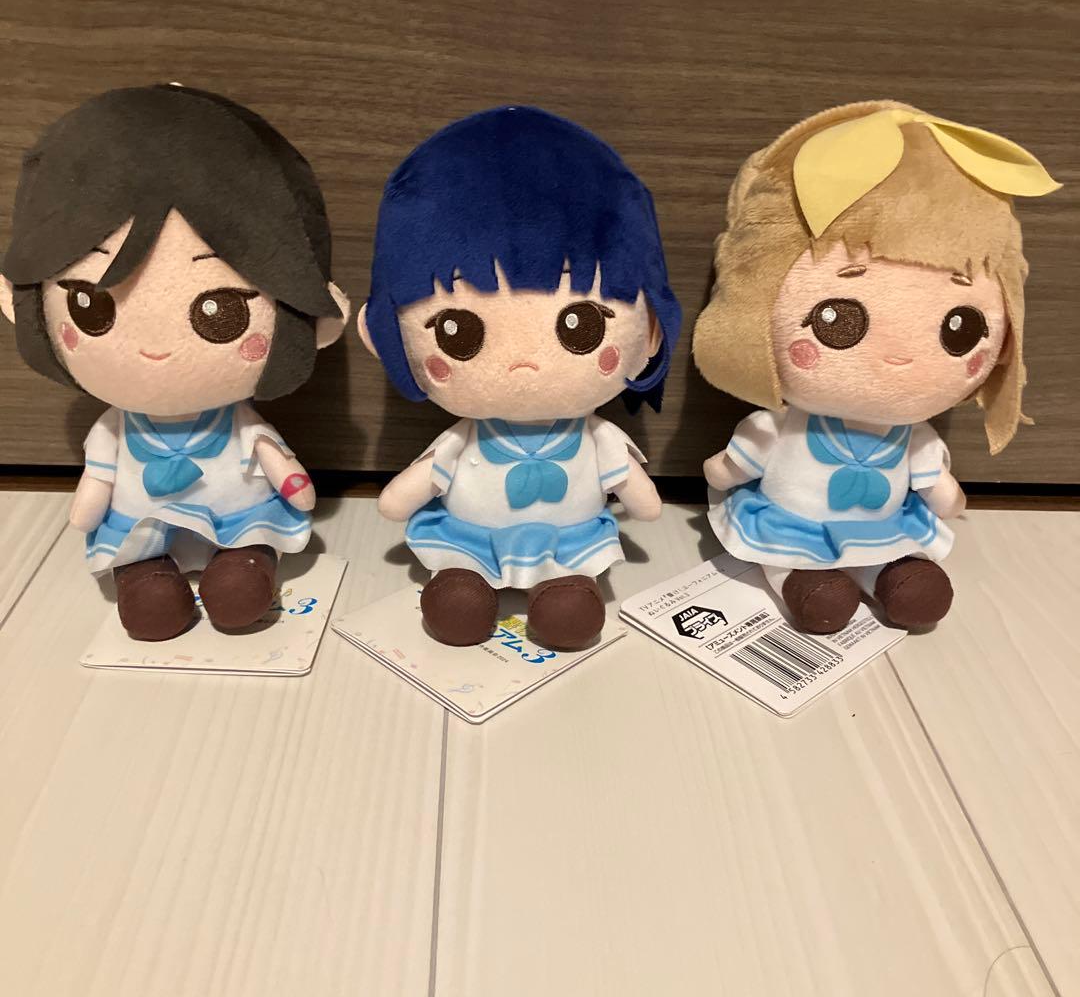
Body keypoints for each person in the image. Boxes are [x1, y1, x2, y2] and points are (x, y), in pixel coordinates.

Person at [692, 101, 1059, 634]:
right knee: (799, 569)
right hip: (792, 527)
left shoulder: (915, 440)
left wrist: (948, 496)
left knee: (898, 567)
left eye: (959, 328)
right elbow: (732, 466)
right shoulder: (777, 428)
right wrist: (722, 472)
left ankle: (895, 577)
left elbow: (941, 491)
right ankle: (804, 582)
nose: (898, 356)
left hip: (882, 529)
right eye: (837, 319)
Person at [0, 85, 350, 641]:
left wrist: (295, 485)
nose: (155, 348)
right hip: (141, 522)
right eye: (91, 307)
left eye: (222, 312)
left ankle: (243, 569)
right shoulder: (113, 430)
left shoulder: (240, 424)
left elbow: (277, 462)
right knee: (143, 570)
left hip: (239, 518)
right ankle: (147, 581)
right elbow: (97, 479)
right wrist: (87, 508)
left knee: (242, 569)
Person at [359, 106, 681, 650]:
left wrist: (644, 499)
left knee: (569, 609)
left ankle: (564, 595)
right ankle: (463, 589)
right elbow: (404, 496)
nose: (524, 365)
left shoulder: (597, 439)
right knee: (458, 603)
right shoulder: (463, 439)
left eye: (580, 327)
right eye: (457, 332)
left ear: (649, 332)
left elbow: (642, 502)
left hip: (570, 541)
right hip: (471, 540)